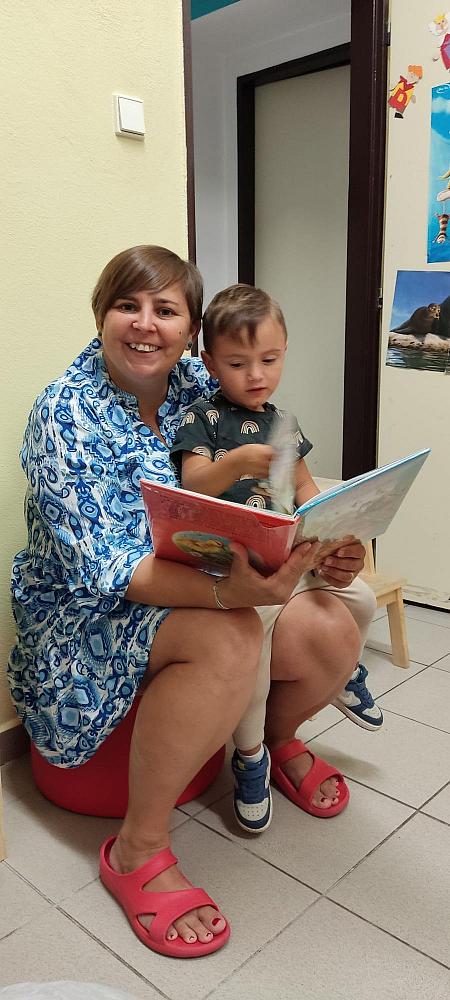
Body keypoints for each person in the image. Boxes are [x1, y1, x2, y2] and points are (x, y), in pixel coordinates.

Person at [8, 246, 365, 959]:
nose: (146, 325)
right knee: (232, 637)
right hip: (86, 611)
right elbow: (109, 569)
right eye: (128, 305)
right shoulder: (64, 413)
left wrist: (324, 543)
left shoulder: (198, 382)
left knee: (335, 622)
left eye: (166, 310)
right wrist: (230, 591)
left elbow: (275, 477)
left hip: (202, 573)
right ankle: (137, 850)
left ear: (191, 331)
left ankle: (273, 739)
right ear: (101, 314)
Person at [171, 283, 382, 834]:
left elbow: (307, 490)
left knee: (361, 597)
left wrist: (336, 528)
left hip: (289, 555)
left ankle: (343, 671)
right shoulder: (202, 417)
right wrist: (238, 462)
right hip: (237, 570)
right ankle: (250, 754)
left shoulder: (285, 422)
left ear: (285, 351)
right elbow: (192, 483)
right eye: (237, 363)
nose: (256, 375)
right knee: (256, 660)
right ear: (210, 363)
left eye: (269, 359)